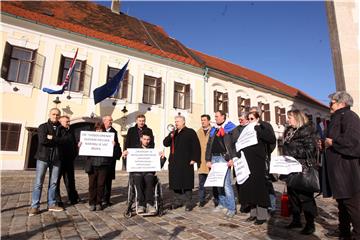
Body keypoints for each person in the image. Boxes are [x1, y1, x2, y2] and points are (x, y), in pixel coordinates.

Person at [324, 91, 360, 240]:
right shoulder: (337, 117)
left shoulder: (350, 117)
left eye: (332, 102)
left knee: (353, 206)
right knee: (342, 204)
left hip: (347, 169)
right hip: (338, 168)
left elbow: (354, 142)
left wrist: (333, 142)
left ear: (342, 103)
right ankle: (344, 232)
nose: (329, 105)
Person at [233, 112, 276, 225]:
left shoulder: (261, 127)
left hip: (258, 162)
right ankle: (253, 213)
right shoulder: (245, 130)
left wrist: (258, 128)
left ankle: (262, 215)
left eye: (252, 118)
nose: (250, 120)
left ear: (257, 118)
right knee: (249, 188)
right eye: (249, 118)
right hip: (246, 162)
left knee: (259, 188)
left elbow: (271, 139)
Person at [283, 109, 318, 235]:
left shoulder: (307, 131)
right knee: (293, 195)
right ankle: (296, 220)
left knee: (305, 197)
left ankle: (310, 224)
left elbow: (311, 150)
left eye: (290, 117)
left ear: (298, 118)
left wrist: (293, 154)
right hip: (291, 168)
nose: (288, 120)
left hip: (303, 169)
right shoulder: (290, 131)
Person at [28, 108, 64, 216]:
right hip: (43, 157)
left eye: (57, 115)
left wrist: (52, 138)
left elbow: (64, 141)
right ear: (49, 115)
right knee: (38, 182)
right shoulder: (43, 127)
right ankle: (35, 206)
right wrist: (55, 139)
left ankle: (51, 204)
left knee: (53, 182)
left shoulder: (61, 128)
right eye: (53, 114)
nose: (55, 116)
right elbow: (43, 140)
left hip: (56, 158)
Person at [122, 129, 166, 214]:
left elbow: (158, 166)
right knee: (138, 179)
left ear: (150, 140)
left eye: (148, 139)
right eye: (145, 139)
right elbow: (128, 165)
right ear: (141, 139)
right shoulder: (134, 150)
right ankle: (141, 204)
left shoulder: (153, 151)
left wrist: (162, 158)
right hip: (137, 172)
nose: (146, 141)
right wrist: (125, 157)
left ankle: (149, 204)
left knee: (149, 178)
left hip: (148, 172)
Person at [163, 115, 201, 211]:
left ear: (183, 122)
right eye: (175, 121)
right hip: (174, 162)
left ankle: (189, 203)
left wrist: (194, 159)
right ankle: (177, 201)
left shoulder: (190, 132)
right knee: (176, 183)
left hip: (186, 162)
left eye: (178, 121)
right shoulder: (173, 133)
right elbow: (165, 143)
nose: (176, 123)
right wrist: (171, 135)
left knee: (186, 183)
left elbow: (196, 146)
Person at [205, 110, 237, 218]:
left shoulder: (231, 128)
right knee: (218, 182)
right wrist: (208, 159)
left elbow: (235, 145)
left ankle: (231, 208)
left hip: (224, 158)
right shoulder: (213, 129)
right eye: (215, 116)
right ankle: (222, 204)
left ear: (223, 117)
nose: (216, 118)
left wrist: (232, 158)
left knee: (227, 184)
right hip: (214, 157)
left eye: (217, 116)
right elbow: (209, 145)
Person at [249, 106, 277, 215]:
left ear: (258, 115)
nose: (250, 115)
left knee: (267, 183)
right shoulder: (248, 126)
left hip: (263, 159)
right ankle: (256, 208)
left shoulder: (265, 125)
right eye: (250, 113)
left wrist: (265, 153)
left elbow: (272, 142)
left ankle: (272, 206)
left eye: (253, 113)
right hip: (252, 160)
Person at [83, 122, 115, 211]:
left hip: (103, 164)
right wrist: (80, 146)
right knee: (92, 185)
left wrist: (113, 146)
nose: (99, 131)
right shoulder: (90, 138)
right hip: (92, 164)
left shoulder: (108, 138)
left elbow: (114, 152)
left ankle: (98, 202)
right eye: (97, 130)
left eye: (100, 129)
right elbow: (84, 150)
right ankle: (92, 203)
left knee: (101, 184)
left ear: (103, 130)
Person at [55, 116, 80, 206]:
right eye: (67, 121)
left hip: (69, 159)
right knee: (56, 180)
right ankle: (57, 200)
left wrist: (75, 153)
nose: (68, 123)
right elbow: (56, 142)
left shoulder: (70, 131)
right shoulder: (57, 130)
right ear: (60, 121)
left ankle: (73, 198)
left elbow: (73, 143)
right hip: (59, 160)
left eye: (69, 121)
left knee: (70, 180)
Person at [196, 114, 219, 207]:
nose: (203, 122)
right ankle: (201, 200)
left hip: (211, 160)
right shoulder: (198, 132)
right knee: (201, 183)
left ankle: (217, 200)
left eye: (204, 120)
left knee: (214, 182)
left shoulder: (214, 131)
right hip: (201, 161)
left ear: (209, 121)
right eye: (201, 120)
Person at [232, 112, 251, 213]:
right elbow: (232, 143)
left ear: (247, 119)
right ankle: (243, 202)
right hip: (238, 160)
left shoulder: (251, 128)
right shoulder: (236, 129)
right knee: (239, 181)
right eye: (239, 119)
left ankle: (248, 203)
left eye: (242, 119)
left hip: (248, 159)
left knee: (248, 182)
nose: (240, 121)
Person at [102, 115, 121, 208]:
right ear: (104, 121)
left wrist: (115, 145)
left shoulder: (114, 132)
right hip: (100, 160)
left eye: (111, 120)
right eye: (109, 120)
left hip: (109, 160)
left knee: (108, 180)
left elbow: (117, 145)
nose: (111, 122)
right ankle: (99, 198)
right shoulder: (98, 130)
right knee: (100, 180)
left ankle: (106, 199)